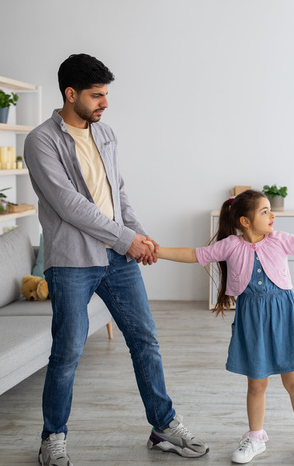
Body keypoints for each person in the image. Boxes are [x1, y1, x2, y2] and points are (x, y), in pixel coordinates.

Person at [24, 53, 208, 466]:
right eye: (96, 96)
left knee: (145, 339)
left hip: (118, 255)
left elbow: (117, 193)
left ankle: (163, 426)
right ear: (70, 95)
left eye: (106, 94)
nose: (105, 104)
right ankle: (52, 437)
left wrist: (137, 236)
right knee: (68, 350)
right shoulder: (41, 141)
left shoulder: (105, 134)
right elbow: (71, 206)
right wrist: (128, 240)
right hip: (72, 260)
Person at [145, 189, 294, 466]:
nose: (272, 216)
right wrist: (157, 251)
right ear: (245, 221)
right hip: (252, 320)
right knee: (256, 384)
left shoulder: (279, 240)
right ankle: (255, 437)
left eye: (270, 210)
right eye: (265, 211)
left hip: (284, 318)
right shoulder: (230, 245)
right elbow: (195, 254)